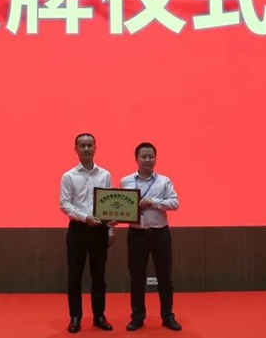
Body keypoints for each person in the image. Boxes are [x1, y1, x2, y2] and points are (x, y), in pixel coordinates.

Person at [120, 142, 182, 331]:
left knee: (165, 277)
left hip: (160, 233)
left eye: (151, 156)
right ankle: (137, 317)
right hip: (136, 234)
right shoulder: (126, 181)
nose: (147, 160)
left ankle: (167, 316)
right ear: (136, 159)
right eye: (143, 156)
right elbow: (121, 207)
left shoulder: (164, 181)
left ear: (155, 158)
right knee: (136, 277)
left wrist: (153, 202)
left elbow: (174, 203)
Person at [59, 133, 114, 333]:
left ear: (95, 147)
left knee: (99, 276)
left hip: (100, 230)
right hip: (78, 230)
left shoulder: (105, 175)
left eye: (90, 145)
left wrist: (110, 230)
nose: (86, 149)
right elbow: (65, 204)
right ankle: (75, 317)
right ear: (76, 149)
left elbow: (109, 205)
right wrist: (85, 218)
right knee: (75, 276)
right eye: (82, 145)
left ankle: (99, 316)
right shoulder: (68, 176)